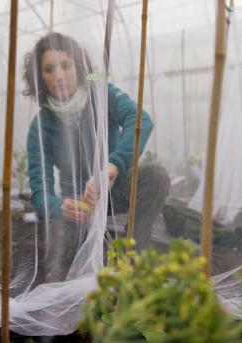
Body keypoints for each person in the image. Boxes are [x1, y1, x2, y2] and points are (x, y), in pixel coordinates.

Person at [22, 32, 169, 282]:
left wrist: (112, 167)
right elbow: (39, 189)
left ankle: (136, 249)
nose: (58, 76)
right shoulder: (41, 126)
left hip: (113, 189)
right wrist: (59, 206)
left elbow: (141, 120)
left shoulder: (102, 96)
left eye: (65, 66)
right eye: (48, 69)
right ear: (39, 77)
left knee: (156, 176)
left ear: (78, 67)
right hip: (80, 205)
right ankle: (96, 243)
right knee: (69, 271)